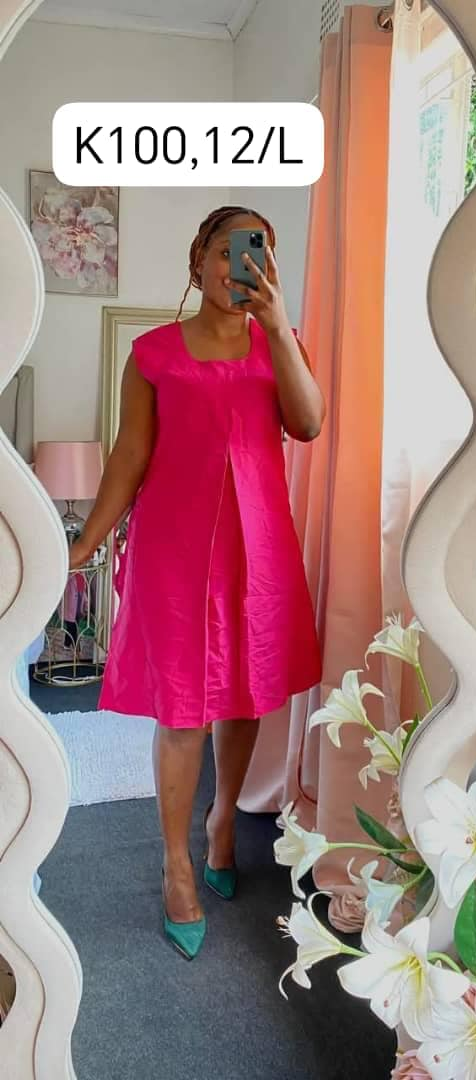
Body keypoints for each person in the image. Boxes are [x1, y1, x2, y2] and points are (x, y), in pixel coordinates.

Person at [69, 206, 325, 959]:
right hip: (175, 549)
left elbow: (308, 424)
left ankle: (222, 822)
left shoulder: (280, 343)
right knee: (183, 711)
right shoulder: (152, 354)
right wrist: (83, 543)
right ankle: (176, 864)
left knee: (244, 695)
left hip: (257, 547)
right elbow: (130, 455)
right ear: (199, 259)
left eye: (260, 251)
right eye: (228, 249)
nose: (241, 264)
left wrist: (278, 328)